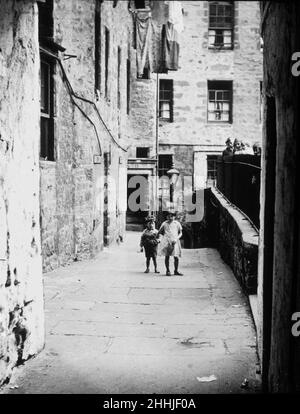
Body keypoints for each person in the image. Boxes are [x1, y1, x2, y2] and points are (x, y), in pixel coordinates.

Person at [157, 211, 183, 276]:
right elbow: (159, 232)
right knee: (167, 256)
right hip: (167, 241)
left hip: (175, 241)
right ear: (167, 217)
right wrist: (160, 238)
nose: (170, 217)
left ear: (174, 217)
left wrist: (176, 239)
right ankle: (168, 270)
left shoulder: (177, 223)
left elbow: (180, 233)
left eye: (172, 216)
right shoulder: (164, 223)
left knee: (176, 256)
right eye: (169, 216)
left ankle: (176, 270)